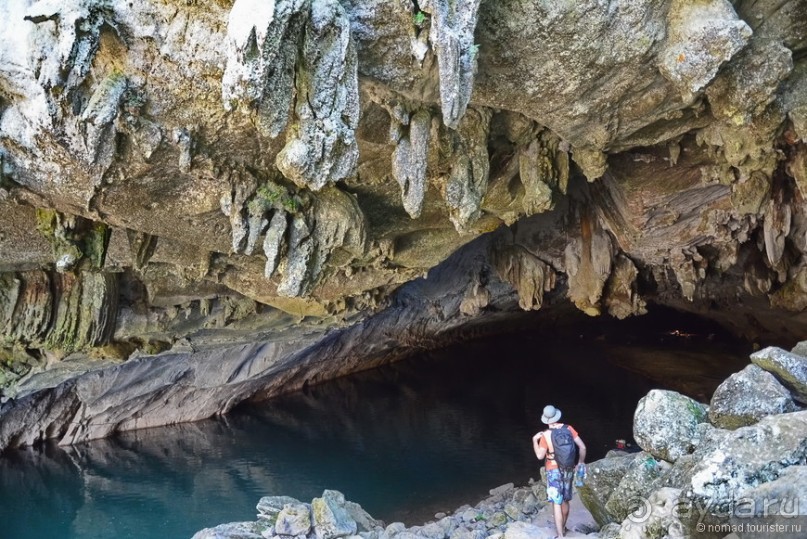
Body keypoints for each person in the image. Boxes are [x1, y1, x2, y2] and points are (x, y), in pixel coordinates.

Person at [532, 404, 587, 538]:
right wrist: (580, 462)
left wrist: (534, 440)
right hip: (568, 468)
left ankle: (560, 535)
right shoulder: (568, 429)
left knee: (556, 502)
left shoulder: (545, 435)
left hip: (553, 470)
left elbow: (539, 456)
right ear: (557, 416)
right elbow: (583, 447)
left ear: (546, 419)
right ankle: (563, 526)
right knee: (565, 500)